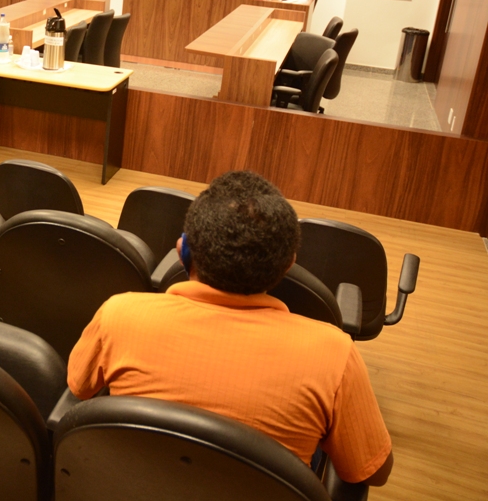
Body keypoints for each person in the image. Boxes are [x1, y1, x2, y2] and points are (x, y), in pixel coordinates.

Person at [67, 171, 393, 487]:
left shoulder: (119, 315)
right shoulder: (335, 354)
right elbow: (371, 473)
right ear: (288, 264)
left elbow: (79, 387)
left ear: (183, 251)